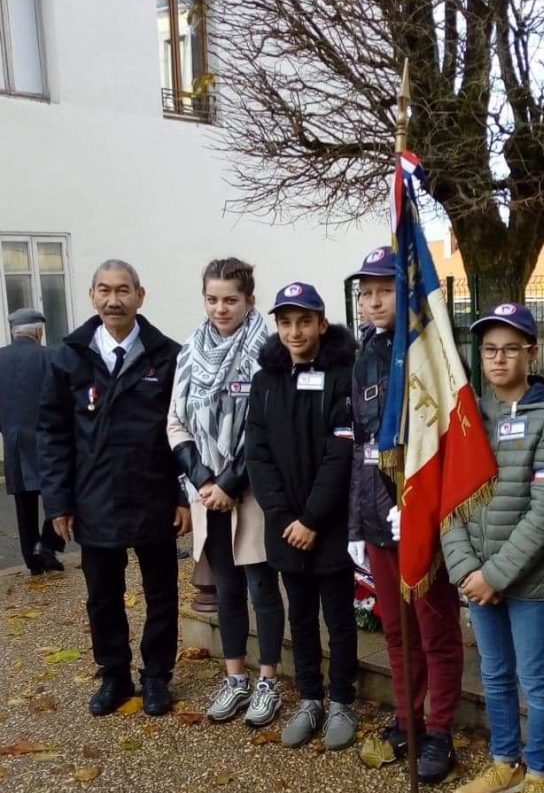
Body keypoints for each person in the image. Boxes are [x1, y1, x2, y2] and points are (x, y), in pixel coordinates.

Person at [37, 260, 190, 717]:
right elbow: (53, 433)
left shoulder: (167, 356)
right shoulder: (69, 357)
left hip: (153, 495)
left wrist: (183, 495)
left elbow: (182, 428)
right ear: (92, 296)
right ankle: (115, 674)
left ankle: (157, 675)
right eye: (104, 290)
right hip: (94, 498)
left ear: (140, 296)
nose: (113, 300)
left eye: (123, 290)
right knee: (102, 595)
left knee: (161, 592)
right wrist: (58, 502)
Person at [442, 303, 544, 793]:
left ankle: (540, 774)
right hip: (477, 575)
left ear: (530, 353)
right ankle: (505, 763)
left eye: (510, 349)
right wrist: (467, 570)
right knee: (494, 674)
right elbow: (449, 501)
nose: (498, 359)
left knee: (534, 677)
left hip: (529, 579)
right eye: (489, 349)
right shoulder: (467, 418)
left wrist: (495, 575)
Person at [346, 246, 464, 783]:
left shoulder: (432, 349)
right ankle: (407, 718)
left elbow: (447, 440)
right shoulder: (366, 354)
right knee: (397, 632)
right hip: (377, 517)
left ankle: (439, 730)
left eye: (384, 291)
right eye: (366, 293)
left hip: (422, 517)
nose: (373, 302)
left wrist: (424, 506)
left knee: (435, 631)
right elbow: (361, 444)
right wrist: (356, 523)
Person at [167, 258, 285, 727]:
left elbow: (269, 426)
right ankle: (236, 677)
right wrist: (203, 481)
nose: (221, 308)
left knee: (262, 588)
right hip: (207, 492)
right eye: (212, 299)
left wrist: (231, 483)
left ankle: (268, 681)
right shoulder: (189, 352)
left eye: (230, 300)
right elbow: (175, 422)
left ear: (249, 301)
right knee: (227, 589)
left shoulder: (269, 353)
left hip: (251, 491)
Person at [245, 281, 359, 750]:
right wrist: (283, 516)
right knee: (302, 617)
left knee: (339, 616)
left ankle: (342, 700)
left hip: (327, 525)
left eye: (304, 321)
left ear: (321, 323)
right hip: (286, 526)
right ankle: (310, 697)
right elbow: (257, 453)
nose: (295, 331)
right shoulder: (265, 381)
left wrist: (312, 519)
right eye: (286, 322)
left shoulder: (342, 375)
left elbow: (341, 452)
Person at [0, 307, 65, 575]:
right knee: (59, 491)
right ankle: (47, 545)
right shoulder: (51, 356)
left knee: (24, 503)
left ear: (14, 332)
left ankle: (33, 561)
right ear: (39, 331)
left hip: (14, 441)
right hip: (47, 438)